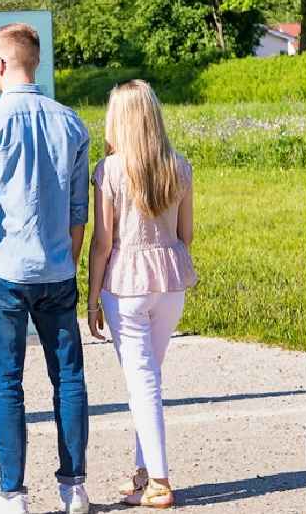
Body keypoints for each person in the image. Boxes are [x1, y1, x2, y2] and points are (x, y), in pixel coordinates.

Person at [0, 23, 91, 514]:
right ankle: (74, 487)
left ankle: (12, 492)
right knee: (69, 379)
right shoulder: (72, 124)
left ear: (4, 64)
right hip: (57, 270)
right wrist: (67, 262)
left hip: (6, 273)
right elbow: (80, 211)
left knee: (6, 383)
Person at [87, 80, 196, 509]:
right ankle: (143, 473)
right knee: (148, 378)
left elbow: (102, 241)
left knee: (142, 381)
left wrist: (92, 296)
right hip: (170, 281)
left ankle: (160, 481)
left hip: (125, 283)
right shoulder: (179, 166)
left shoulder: (110, 170)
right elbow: (186, 234)